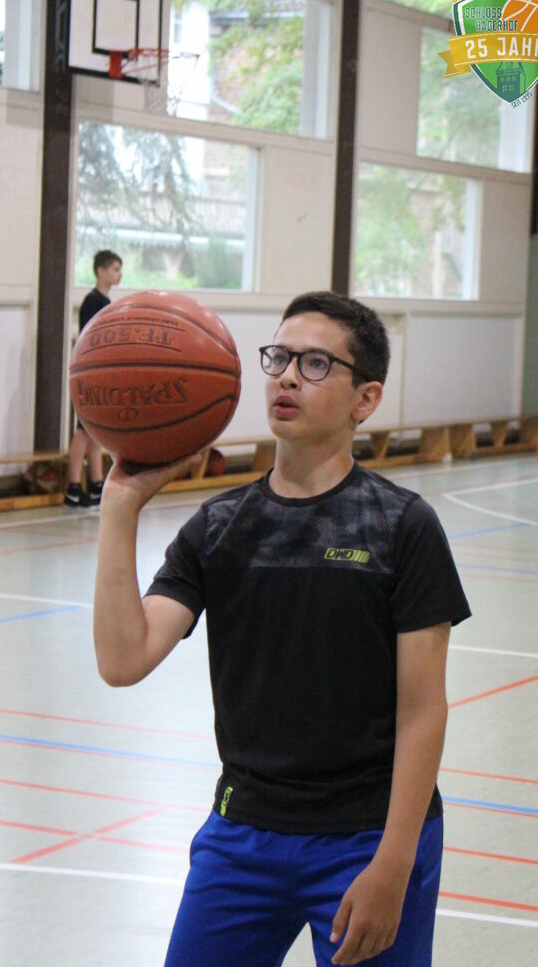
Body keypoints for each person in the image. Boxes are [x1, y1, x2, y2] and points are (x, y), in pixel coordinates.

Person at [93, 291, 471, 966]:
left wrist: (394, 864)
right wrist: (120, 507)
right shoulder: (218, 527)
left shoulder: (402, 527)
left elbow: (423, 711)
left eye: (316, 363)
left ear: (365, 399)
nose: (288, 377)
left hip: (366, 839)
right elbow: (123, 660)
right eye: (279, 358)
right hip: (241, 835)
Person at [64, 250, 123, 507]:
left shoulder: (105, 302)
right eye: (115, 269)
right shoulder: (92, 302)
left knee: (94, 430)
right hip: (89, 372)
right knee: (82, 430)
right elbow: (92, 339)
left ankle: (97, 483)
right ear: (101, 271)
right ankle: (73, 487)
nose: (119, 275)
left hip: (99, 372)